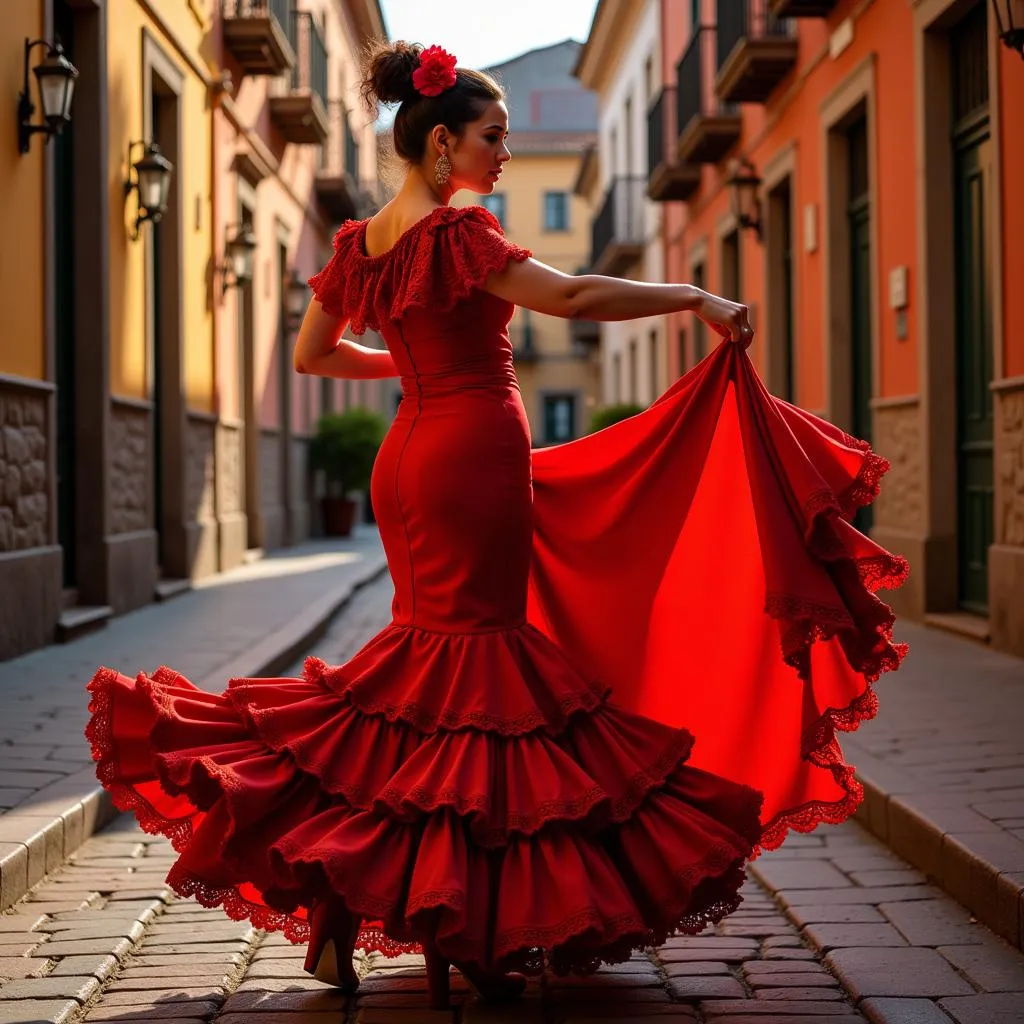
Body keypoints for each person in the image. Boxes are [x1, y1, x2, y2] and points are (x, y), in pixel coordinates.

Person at [85, 41, 909, 1011]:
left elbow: (315, 356)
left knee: (423, 671)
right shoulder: (459, 235)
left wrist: (416, 374)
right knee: (476, 674)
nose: (503, 151)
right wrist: (692, 296)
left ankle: (356, 910)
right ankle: (469, 922)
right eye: (491, 135)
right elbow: (566, 297)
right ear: (442, 144)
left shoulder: (362, 245)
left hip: (411, 461)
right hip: (471, 457)